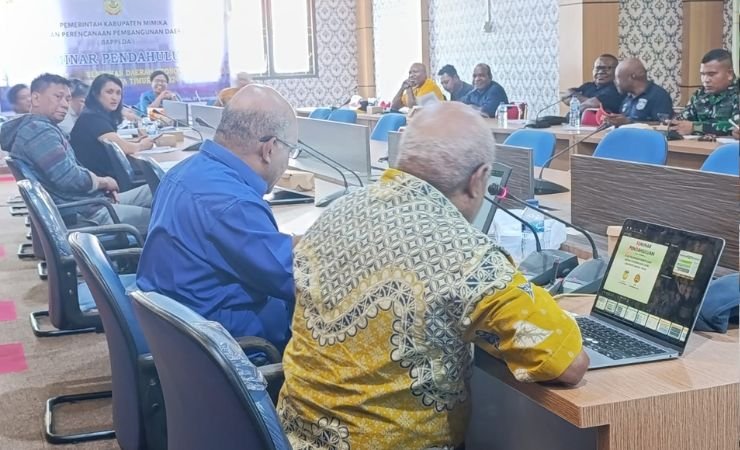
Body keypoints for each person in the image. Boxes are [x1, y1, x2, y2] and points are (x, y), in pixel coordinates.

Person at [277, 101, 589, 449]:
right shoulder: (470, 259)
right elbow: (568, 365)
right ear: (478, 179)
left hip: (289, 437)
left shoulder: (334, 214)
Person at [136, 84, 298, 350]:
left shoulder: (183, 172)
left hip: (175, 331)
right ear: (269, 149)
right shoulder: (234, 205)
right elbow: (297, 279)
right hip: (227, 347)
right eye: (290, 150)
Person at [0, 73, 152, 235]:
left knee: (161, 189)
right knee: (168, 218)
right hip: (86, 214)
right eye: (58, 97)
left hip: (90, 202)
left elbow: (69, 174)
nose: (65, 104)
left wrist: (99, 188)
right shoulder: (39, 132)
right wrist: (103, 182)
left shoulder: (38, 128)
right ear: (36, 99)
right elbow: (69, 178)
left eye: (67, 98)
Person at [70, 74, 153, 180]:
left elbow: (119, 144)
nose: (115, 97)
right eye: (109, 92)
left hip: (107, 178)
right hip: (103, 185)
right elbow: (125, 148)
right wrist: (142, 145)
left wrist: (136, 143)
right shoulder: (92, 118)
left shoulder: (97, 114)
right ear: (96, 94)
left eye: (118, 93)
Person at [672, 49, 739, 136]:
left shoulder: (737, 93)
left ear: (729, 74)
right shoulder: (700, 94)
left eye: (711, 74)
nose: (706, 80)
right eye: (703, 74)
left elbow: (735, 127)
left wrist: (696, 127)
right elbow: (682, 120)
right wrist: (674, 124)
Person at [605, 58, 674, 126]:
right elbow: (625, 121)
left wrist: (630, 123)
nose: (614, 82)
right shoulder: (627, 97)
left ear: (632, 77)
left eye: (617, 78)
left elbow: (663, 125)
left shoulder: (659, 96)